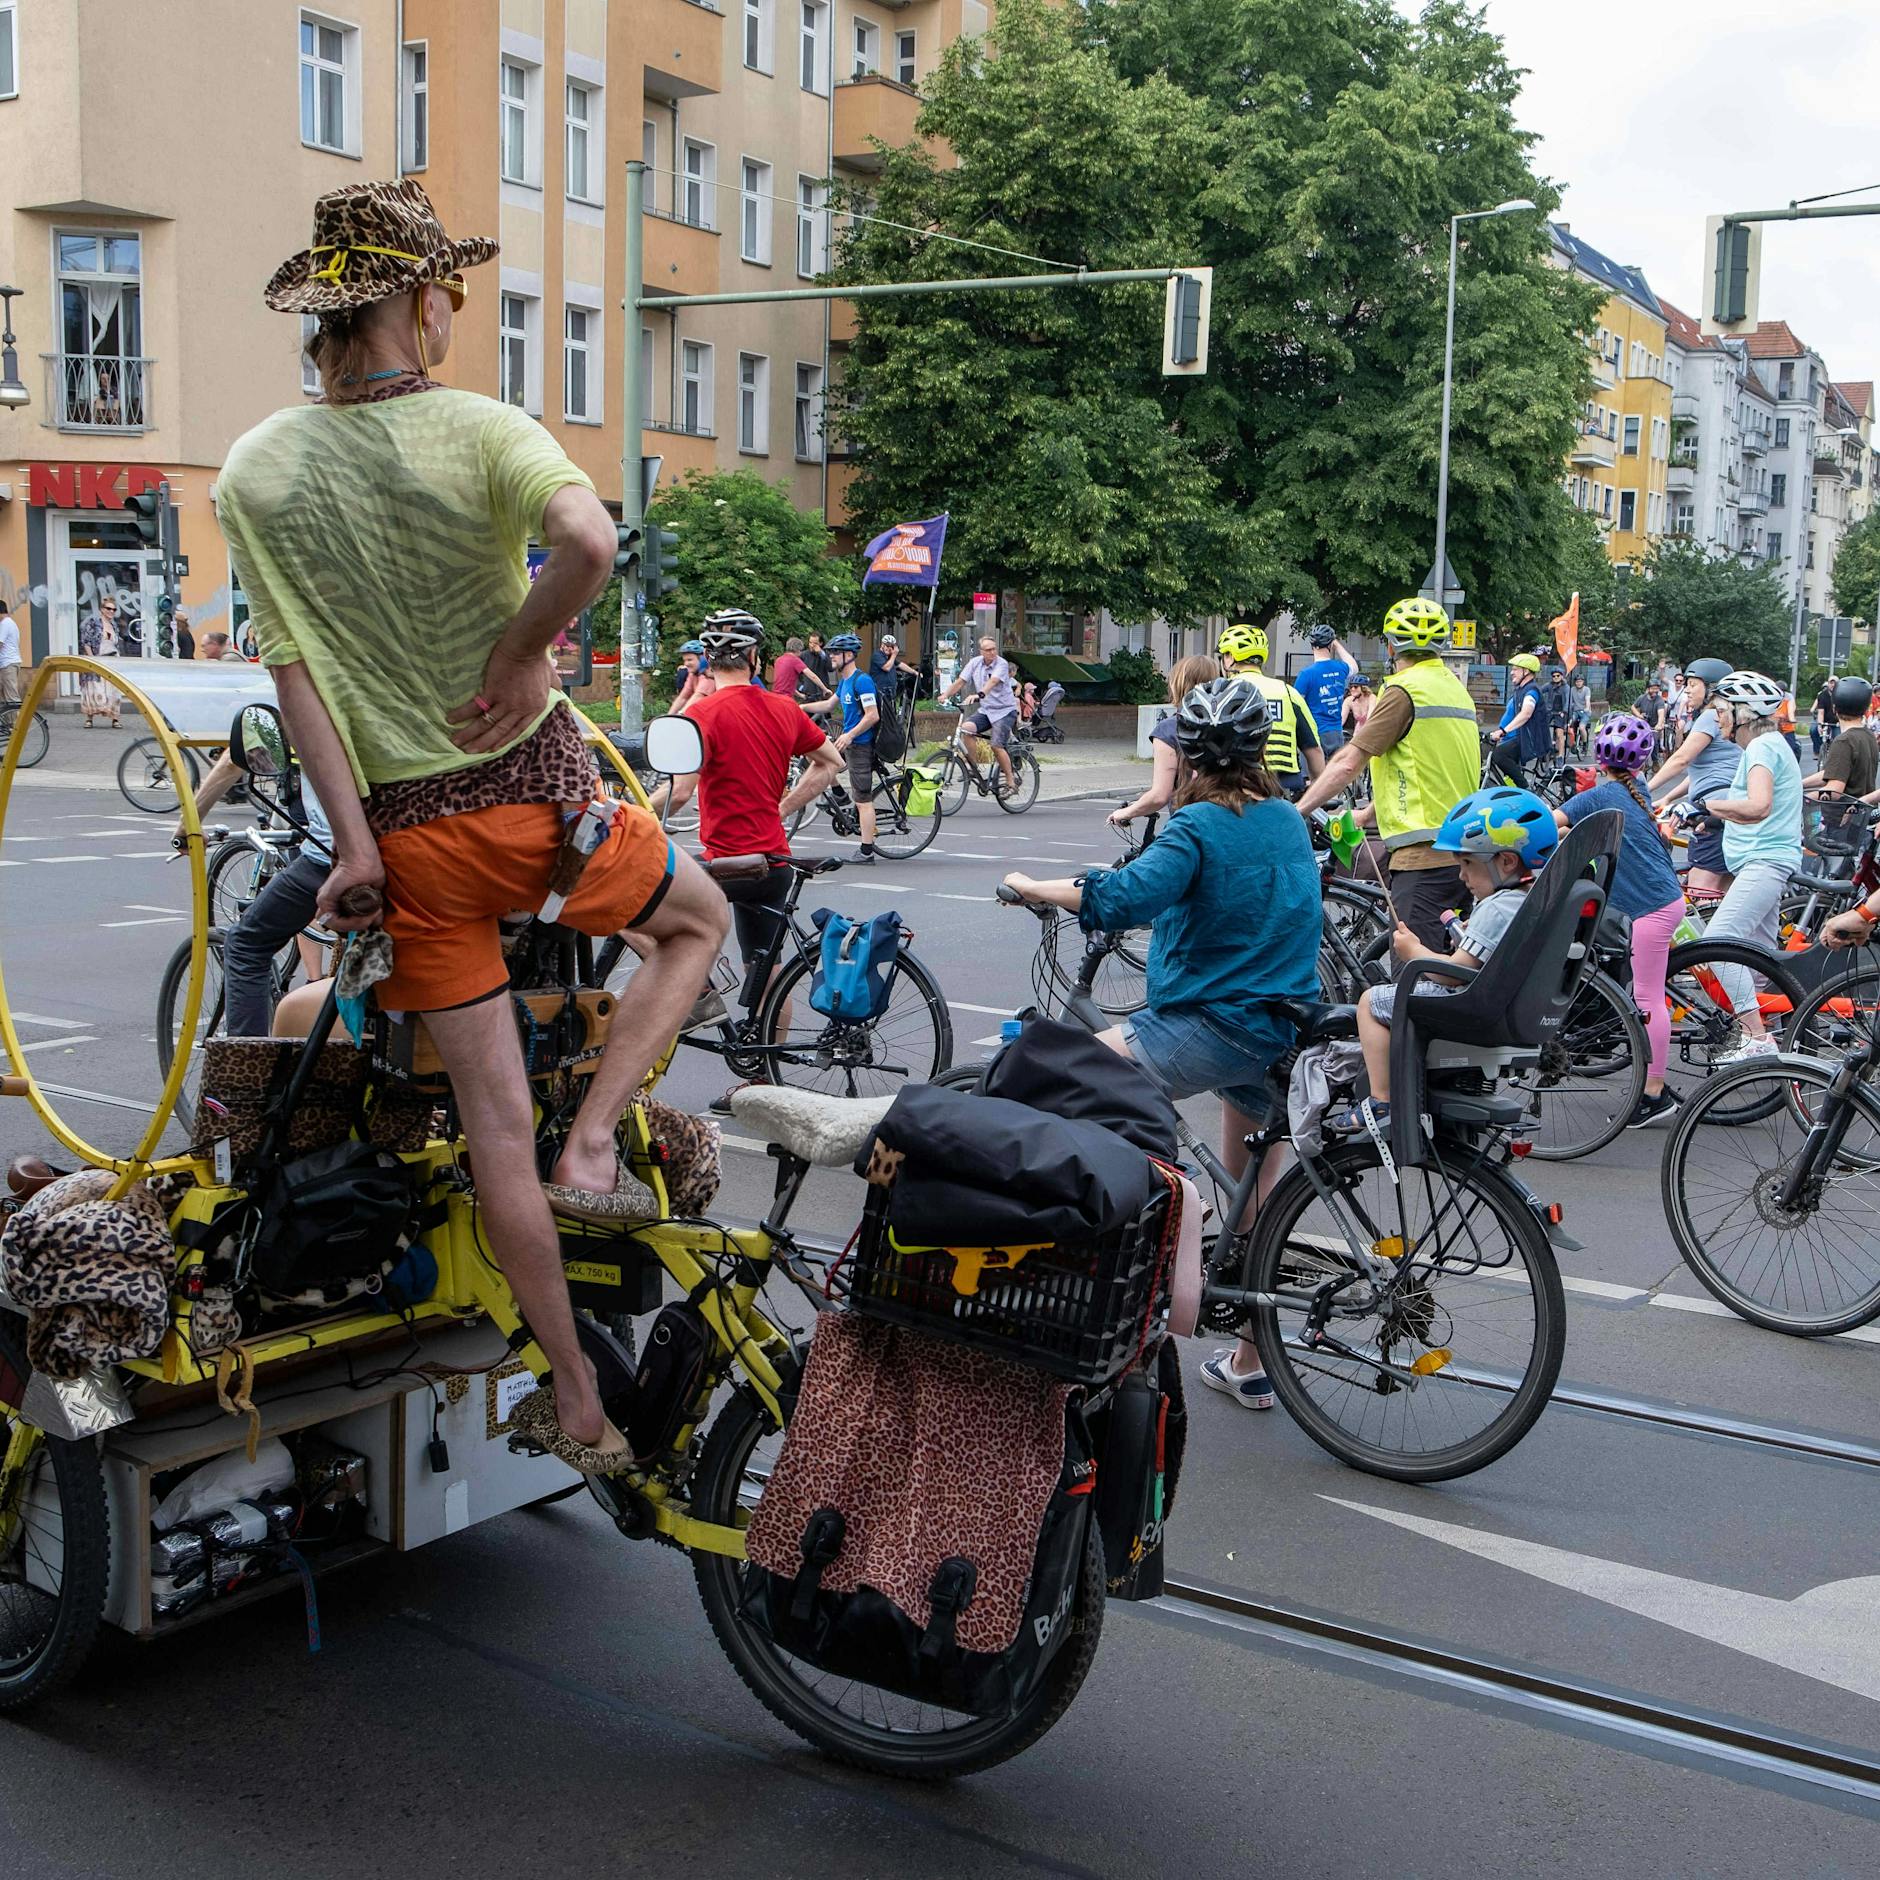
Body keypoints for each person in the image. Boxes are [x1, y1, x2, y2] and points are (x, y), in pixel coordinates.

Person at [219, 177, 729, 1475]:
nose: (454, 309)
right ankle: (597, 1140)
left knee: (494, 1128)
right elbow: (589, 545)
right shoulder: (486, 429)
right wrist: (514, 653)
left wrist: (352, 846)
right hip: (539, 811)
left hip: (410, 849)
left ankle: (576, 1395)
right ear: (416, 301)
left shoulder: (257, 471)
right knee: (697, 923)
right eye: (449, 288)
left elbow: (296, 680)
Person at [999, 676, 1320, 1412]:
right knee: (1253, 1191)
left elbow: (1124, 897)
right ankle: (1250, 1362)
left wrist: (1034, 885)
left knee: (1071, 1075)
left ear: (1191, 759)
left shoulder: (1197, 825)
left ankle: (1159, 1229)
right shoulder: (1284, 817)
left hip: (1214, 1022)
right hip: (1280, 1021)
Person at [660, 610, 844, 1109]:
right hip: (773, 862)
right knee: (767, 970)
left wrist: (629, 810)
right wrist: (782, 808)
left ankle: (700, 993)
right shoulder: (784, 709)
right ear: (755, 658)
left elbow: (680, 794)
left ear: (708, 662)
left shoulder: (702, 715)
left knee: (643, 908)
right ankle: (764, 1083)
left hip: (727, 865)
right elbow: (831, 764)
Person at [1332, 786, 1554, 1140]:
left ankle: (1382, 1100)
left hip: (1472, 1006)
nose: (1462, 876)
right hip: (1505, 1007)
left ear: (1506, 862)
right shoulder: (1526, 900)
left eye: (1467, 863)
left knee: (1372, 1002)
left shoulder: (1497, 908)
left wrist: (1414, 951)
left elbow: (1452, 974)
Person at [1297, 599, 1482, 949]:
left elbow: (1348, 762)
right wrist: (1368, 814)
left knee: (1414, 970)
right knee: (1447, 964)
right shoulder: (1456, 690)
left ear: (1391, 646)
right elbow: (1428, 769)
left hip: (1422, 859)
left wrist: (1298, 810)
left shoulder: (1403, 691)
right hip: (1462, 851)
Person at [1556, 714, 1686, 1129]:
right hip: (1665, 900)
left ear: (1599, 760)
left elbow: (1547, 823)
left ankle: (1654, 1093)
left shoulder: (1598, 795)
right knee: (1647, 993)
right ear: (1642, 762)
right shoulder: (1636, 790)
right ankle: (1651, 1084)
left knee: (1649, 1000)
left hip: (1651, 910)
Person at [176, 748, 333, 1035]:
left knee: (245, 945)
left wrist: (187, 825)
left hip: (333, 855)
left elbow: (238, 756)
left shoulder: (310, 715)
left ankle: (246, 1058)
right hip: (409, 849)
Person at [1694, 671, 1804, 1061]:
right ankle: (1765, 1046)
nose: (1717, 718)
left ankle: (1755, 1036)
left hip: (1765, 861)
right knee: (1756, 958)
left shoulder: (1761, 747)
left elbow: (1758, 806)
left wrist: (1705, 806)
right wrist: (1714, 817)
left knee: (1718, 942)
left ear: (1744, 713)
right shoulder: (1770, 745)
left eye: (1722, 710)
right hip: (1765, 860)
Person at [1647, 658, 1738, 898]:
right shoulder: (1727, 718)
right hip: (1729, 810)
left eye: (1693, 684)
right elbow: (1701, 773)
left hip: (1712, 814)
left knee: (1698, 894)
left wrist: (1642, 789)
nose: (1687, 690)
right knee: (1723, 895)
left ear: (1712, 689)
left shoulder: (1711, 717)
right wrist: (1667, 797)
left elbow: (1681, 759)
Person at [1110, 654, 1224, 829]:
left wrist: (1125, 813)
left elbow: (1159, 796)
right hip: (1231, 821)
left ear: (1178, 684)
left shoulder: (1169, 730)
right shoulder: (1229, 724)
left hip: (1191, 827)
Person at [1216, 622, 1324, 797]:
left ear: (1229, 657)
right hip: (1283, 785)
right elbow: (1313, 749)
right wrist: (1317, 792)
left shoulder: (1222, 692)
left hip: (1235, 786)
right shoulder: (1288, 692)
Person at [803, 631, 881, 861]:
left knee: (863, 800)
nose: (832, 656)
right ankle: (839, 794)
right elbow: (829, 704)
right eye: (831, 653)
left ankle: (867, 851)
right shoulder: (845, 682)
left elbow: (872, 715)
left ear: (849, 655)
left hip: (860, 746)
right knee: (813, 752)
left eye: (836, 653)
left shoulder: (862, 681)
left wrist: (850, 735)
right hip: (847, 742)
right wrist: (800, 708)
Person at [942, 634, 1020, 795]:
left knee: (996, 745)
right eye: (988, 650)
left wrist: (979, 695)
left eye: (994, 649)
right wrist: (945, 694)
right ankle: (973, 767)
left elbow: (993, 682)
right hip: (987, 710)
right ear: (981, 651)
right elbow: (961, 681)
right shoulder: (975, 663)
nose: (992, 652)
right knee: (966, 729)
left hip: (1004, 711)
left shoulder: (1001, 664)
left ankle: (1011, 782)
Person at [1805, 677, 1877, 831]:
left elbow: (1835, 790)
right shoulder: (1868, 735)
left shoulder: (1844, 741)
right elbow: (1835, 772)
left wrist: (1801, 798)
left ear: (1834, 708)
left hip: (1839, 822)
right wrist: (1799, 784)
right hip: (1861, 818)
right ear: (1865, 710)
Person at [1295, 625, 1358, 757]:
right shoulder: (1340, 668)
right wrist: (1336, 644)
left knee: (1313, 771)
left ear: (1312, 646)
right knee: (1335, 770)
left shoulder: (1306, 674)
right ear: (1330, 645)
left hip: (1314, 733)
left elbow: (1296, 705)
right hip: (1336, 732)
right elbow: (1354, 667)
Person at [1492, 653, 1548, 785]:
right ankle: (1515, 790)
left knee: (1499, 755)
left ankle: (1525, 789)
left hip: (1528, 739)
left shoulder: (1531, 691)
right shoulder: (1519, 690)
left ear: (1526, 671)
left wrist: (1503, 731)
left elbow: (1526, 713)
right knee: (1506, 771)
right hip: (1514, 738)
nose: (1512, 673)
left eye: (1515, 669)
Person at [77, 596, 121, 726]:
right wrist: (92, 658)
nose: (111, 611)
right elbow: (86, 641)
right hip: (97, 657)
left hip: (112, 659)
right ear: (102, 609)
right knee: (94, 687)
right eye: (108, 609)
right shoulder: (93, 622)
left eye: (113, 609)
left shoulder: (114, 625)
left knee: (113, 689)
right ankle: (89, 718)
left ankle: (115, 719)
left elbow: (116, 643)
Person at [771, 634, 829, 707]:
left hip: (775, 697)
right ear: (798, 650)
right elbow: (812, 676)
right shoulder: (795, 660)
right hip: (786, 700)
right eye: (801, 651)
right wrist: (825, 689)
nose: (801, 653)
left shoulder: (779, 660)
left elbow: (786, 684)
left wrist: (801, 695)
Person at [672, 639, 712, 711]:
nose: (686, 664)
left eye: (689, 660)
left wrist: (681, 714)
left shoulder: (709, 676)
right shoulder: (693, 674)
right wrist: (669, 715)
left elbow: (698, 696)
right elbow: (683, 697)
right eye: (684, 660)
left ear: (703, 659)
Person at [1811, 674, 1838, 757]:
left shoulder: (1841, 695)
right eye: (1831, 683)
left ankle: (1835, 755)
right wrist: (1820, 725)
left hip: (1836, 722)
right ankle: (1818, 751)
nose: (1833, 685)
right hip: (1824, 720)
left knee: (1838, 737)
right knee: (1813, 730)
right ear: (1828, 684)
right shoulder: (1822, 695)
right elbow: (1821, 712)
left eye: (1835, 683)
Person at [1546, 668, 1571, 758]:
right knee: (1541, 728)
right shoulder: (1549, 685)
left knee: (1559, 733)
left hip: (1561, 712)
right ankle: (1546, 749)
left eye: (1558, 675)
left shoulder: (1566, 688)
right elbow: (1539, 690)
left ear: (1562, 676)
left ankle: (1560, 755)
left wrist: (1565, 711)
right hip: (1550, 711)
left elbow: (1567, 701)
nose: (1556, 677)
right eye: (1554, 676)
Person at [0, 604, 20, 707]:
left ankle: (18, 718)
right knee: (5, 699)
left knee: (12, 698)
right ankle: (8, 717)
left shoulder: (5, 624)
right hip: (7, 663)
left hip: (8, 664)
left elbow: (0, 643)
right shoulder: (9, 623)